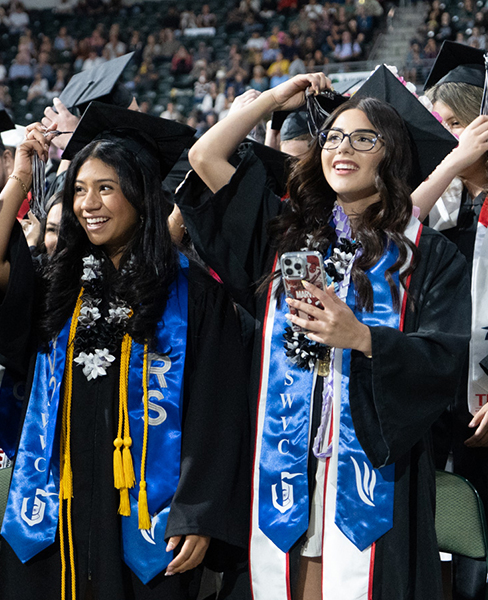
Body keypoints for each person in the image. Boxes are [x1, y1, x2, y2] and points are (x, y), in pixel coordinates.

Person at [179, 70, 469, 599]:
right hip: (281, 461)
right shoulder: (285, 236)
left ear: (392, 155)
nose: (343, 148)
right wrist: (272, 100)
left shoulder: (426, 257)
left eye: (363, 139)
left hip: (372, 472)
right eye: (333, 137)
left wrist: (364, 338)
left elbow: (444, 360)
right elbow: (205, 157)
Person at [0, 103, 251, 599]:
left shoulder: (193, 295)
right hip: (54, 501)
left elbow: (217, 410)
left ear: (141, 196)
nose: (89, 204)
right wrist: (19, 176)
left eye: (105, 188)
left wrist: (198, 513)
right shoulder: (57, 284)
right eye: (79, 190)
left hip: (147, 511)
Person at [412, 41, 488, 600]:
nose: (445, 137)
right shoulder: (445, 202)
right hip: (442, 403)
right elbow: (391, 231)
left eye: (454, 124)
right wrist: (453, 163)